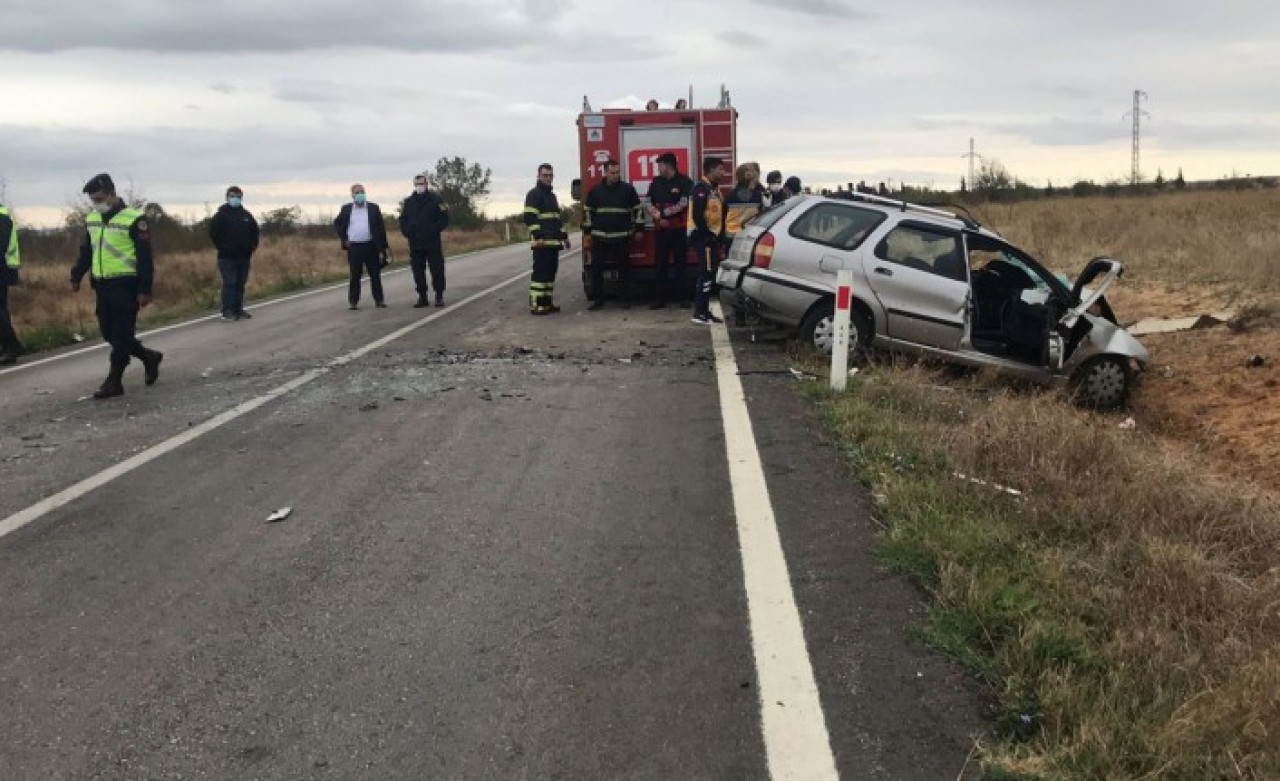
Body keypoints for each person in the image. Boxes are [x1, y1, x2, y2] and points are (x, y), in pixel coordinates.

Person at [69, 173, 163, 399]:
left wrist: (145, 289)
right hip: (102, 284)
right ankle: (148, 357)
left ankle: (114, 381)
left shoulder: (134, 219)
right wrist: (76, 275)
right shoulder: (92, 219)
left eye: (100, 198)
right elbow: (87, 251)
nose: (97, 203)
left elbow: (145, 257)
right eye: (93, 200)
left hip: (126, 285)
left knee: (121, 335)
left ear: (112, 194)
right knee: (108, 332)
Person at [583, 159, 643, 310]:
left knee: (624, 269)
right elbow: (588, 212)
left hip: (622, 236)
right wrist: (588, 233)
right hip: (600, 237)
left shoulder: (628, 190)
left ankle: (624, 299)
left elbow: (638, 209)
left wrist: (640, 228)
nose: (615, 175)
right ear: (605, 172)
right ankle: (598, 300)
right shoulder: (595, 191)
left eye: (617, 173)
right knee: (597, 269)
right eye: (612, 173)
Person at [646, 152, 694, 309]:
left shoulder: (685, 181)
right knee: (660, 265)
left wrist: (664, 214)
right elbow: (647, 201)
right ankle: (659, 299)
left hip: (678, 231)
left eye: (660, 165)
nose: (658, 169)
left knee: (681, 264)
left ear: (668, 165)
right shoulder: (656, 182)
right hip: (661, 231)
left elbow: (684, 202)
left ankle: (683, 298)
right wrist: (657, 217)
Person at [522, 164, 570, 315]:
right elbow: (529, 217)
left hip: (553, 243)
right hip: (542, 243)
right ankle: (536, 305)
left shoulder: (552, 196)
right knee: (540, 276)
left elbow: (556, 219)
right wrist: (538, 236)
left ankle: (547, 304)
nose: (548, 178)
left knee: (549, 276)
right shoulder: (534, 194)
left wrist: (564, 236)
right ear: (538, 176)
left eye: (550, 175)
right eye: (545, 175)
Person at [333, 183, 390, 310]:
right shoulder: (346, 209)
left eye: (362, 192)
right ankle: (353, 301)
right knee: (355, 275)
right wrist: (344, 239)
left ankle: (379, 300)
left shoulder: (373, 208)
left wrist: (383, 249)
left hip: (371, 246)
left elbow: (381, 228)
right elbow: (338, 224)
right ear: (352, 195)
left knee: (375, 274)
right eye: (357, 192)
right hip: (354, 247)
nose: (360, 194)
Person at [398, 173, 450, 308]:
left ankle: (439, 295)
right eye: (417, 184)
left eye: (421, 184)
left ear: (426, 184)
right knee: (417, 271)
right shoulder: (409, 202)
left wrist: (434, 229)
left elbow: (444, 217)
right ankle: (422, 296)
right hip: (415, 243)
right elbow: (403, 219)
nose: (419, 186)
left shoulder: (436, 199)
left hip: (432, 242)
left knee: (437, 269)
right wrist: (407, 231)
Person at [208, 185, 259, 322]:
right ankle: (227, 310)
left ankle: (238, 308)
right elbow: (213, 233)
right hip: (227, 257)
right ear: (227, 197)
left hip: (244, 256)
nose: (235, 199)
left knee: (240, 283)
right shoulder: (220, 216)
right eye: (232, 196)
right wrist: (223, 247)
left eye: (238, 196)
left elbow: (255, 231)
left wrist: (253, 246)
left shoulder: (246, 215)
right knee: (230, 282)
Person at [689, 157, 726, 325]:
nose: (723, 172)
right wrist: (708, 236)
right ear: (710, 170)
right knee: (706, 274)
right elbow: (697, 215)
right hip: (704, 239)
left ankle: (704, 311)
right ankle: (700, 312)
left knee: (709, 275)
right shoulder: (700, 188)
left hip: (712, 238)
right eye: (720, 169)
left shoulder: (714, 189)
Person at [0, 201, 23, 364]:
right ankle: (11, 346)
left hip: (3, 268)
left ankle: (11, 347)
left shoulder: (2, 216)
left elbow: (1, 244)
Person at [724, 162, 764, 252]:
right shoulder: (758, 195)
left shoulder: (730, 194)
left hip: (731, 236)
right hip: (750, 237)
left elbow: (724, 215)